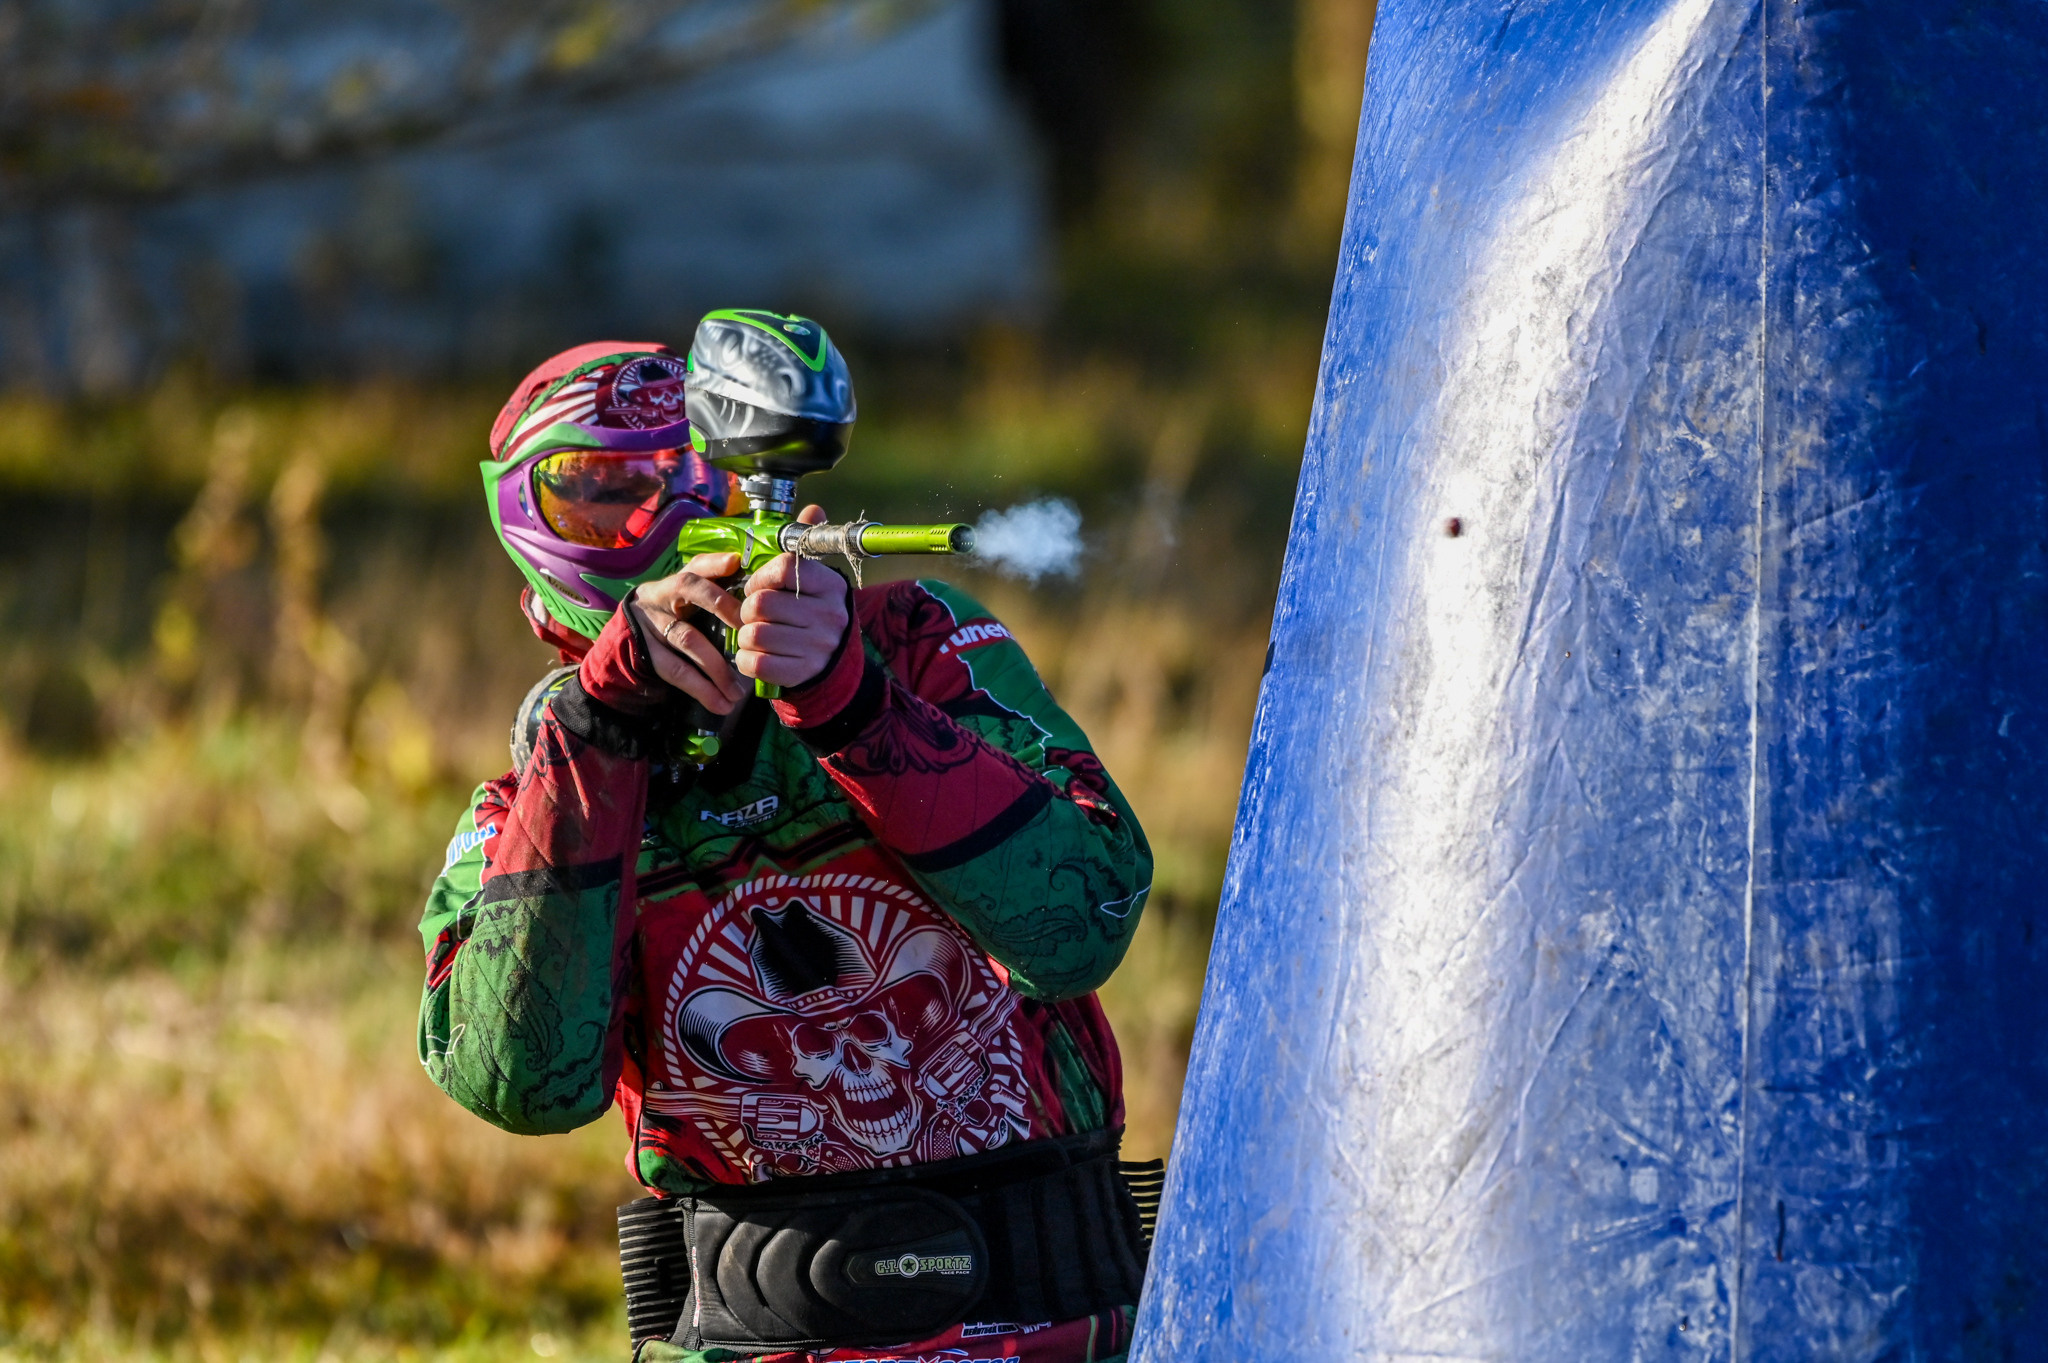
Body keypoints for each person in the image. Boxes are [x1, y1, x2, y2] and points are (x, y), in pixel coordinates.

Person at [417, 313, 1156, 1363]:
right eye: (603, 492)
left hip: (1046, 1325)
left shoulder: (915, 649)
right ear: (533, 536)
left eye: (690, 474)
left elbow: (1081, 921)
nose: (664, 516)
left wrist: (848, 704)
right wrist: (598, 739)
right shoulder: (525, 809)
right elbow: (519, 1083)